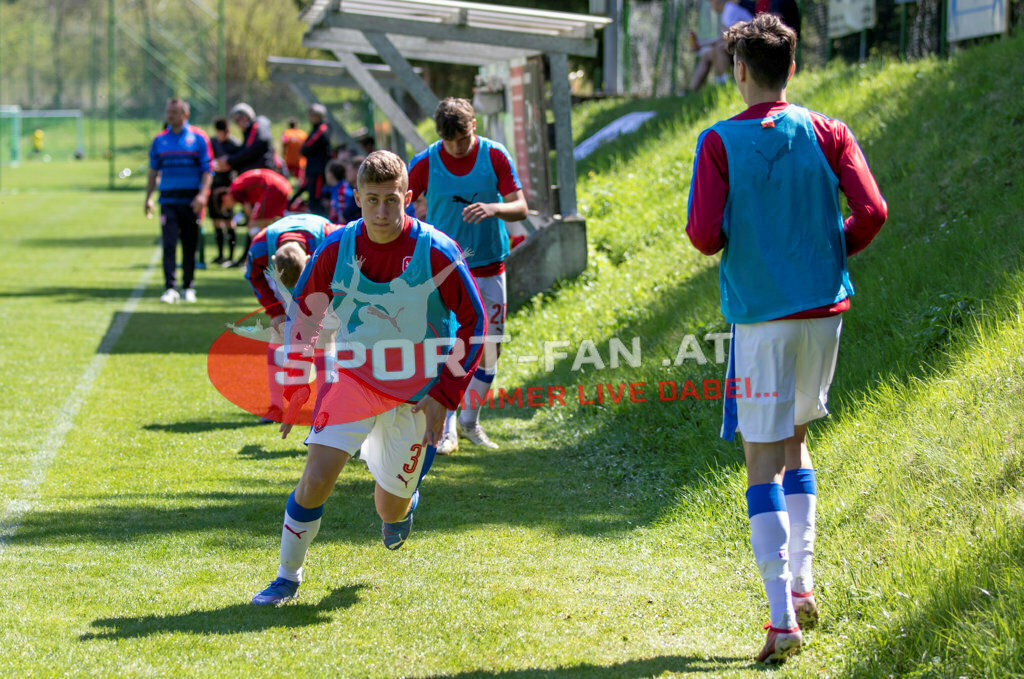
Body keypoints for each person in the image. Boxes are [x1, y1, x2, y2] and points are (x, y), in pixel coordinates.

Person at [685, 14, 887, 663]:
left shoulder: (718, 141)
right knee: (797, 439)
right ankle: (802, 584)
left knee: (761, 456)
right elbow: (873, 211)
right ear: (792, 69)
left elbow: (703, 234)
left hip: (761, 315)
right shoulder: (830, 131)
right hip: (825, 310)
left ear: (739, 70)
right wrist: (833, 248)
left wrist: (742, 237)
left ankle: (781, 619)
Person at [250, 150, 486, 606]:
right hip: (353, 380)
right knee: (316, 478)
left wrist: (445, 395)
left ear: (408, 199)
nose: (382, 212)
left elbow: (475, 323)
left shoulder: (436, 250)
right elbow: (306, 317)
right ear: (356, 198)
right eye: (372, 200)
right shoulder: (335, 248)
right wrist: (296, 386)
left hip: (418, 392)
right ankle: (286, 578)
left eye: (391, 200)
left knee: (389, 509)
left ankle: (403, 503)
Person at [408, 97, 528, 454]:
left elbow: (521, 207)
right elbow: (401, 206)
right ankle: (446, 428)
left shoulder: (495, 155)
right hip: (445, 271)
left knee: (490, 348)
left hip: (490, 266)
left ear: (474, 126)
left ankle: (470, 421)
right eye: (449, 142)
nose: (457, 148)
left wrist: (494, 208)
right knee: (449, 347)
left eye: (462, 139)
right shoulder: (425, 162)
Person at [145, 98, 213, 304]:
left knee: (190, 244)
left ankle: (188, 287)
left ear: (185, 114)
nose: (170, 116)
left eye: (174, 112)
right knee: (169, 244)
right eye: (168, 112)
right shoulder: (160, 140)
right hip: (168, 201)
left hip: (191, 201)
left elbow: (207, 170)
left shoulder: (199, 138)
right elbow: (153, 171)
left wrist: (202, 195)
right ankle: (170, 288)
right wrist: (148, 198)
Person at [216, 168, 294, 268]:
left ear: (224, 198)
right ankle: (277, 258)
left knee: (255, 227)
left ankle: (261, 261)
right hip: (284, 186)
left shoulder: (235, 190)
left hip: (272, 189)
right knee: (270, 227)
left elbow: (248, 210)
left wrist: (251, 222)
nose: (230, 207)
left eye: (226, 207)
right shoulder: (239, 185)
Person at [687, 0, 753, 92]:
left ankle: (725, 83)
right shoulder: (727, 10)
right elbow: (724, 37)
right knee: (706, 55)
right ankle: (691, 90)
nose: (711, 6)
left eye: (710, 3)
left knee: (719, 48)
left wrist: (703, 44)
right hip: (741, 44)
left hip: (750, 46)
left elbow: (727, 38)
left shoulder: (730, 10)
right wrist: (702, 45)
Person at [209, 116, 240, 265]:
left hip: (228, 186)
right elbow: (209, 162)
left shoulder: (234, 144)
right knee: (216, 220)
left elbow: (237, 162)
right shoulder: (212, 143)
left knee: (229, 221)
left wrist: (226, 165)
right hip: (214, 185)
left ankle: (231, 256)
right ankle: (220, 255)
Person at [291, 104, 331, 217]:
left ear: (319, 116)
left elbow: (306, 147)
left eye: (312, 115)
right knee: (312, 198)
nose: (310, 117)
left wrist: (304, 149)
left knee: (316, 199)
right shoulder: (316, 128)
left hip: (318, 170)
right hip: (313, 169)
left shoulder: (322, 129)